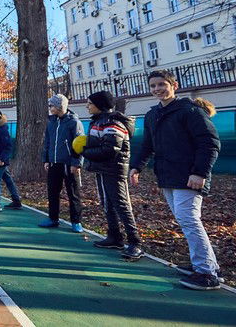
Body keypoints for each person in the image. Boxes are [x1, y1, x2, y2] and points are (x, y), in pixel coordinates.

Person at [130, 70, 221, 290]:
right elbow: (147, 146)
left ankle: (207, 273)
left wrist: (199, 172)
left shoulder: (190, 111)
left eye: (162, 84)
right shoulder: (153, 115)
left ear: (174, 85)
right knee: (185, 220)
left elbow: (209, 143)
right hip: (167, 176)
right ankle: (208, 264)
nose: (157, 89)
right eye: (153, 86)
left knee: (189, 220)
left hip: (189, 177)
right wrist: (136, 167)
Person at [83, 91, 143, 261]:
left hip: (114, 169)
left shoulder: (113, 123)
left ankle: (135, 242)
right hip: (101, 169)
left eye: (90, 103)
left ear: (100, 105)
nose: (87, 106)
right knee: (107, 202)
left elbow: (110, 149)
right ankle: (114, 236)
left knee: (121, 204)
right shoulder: (97, 122)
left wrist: (85, 152)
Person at [40, 94, 84, 232]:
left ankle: (76, 221)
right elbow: (47, 142)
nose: (50, 108)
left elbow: (80, 143)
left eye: (52, 106)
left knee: (73, 193)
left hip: (69, 164)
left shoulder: (73, 122)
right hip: (54, 163)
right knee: (52, 192)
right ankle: (53, 218)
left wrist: (76, 163)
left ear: (60, 106)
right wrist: (46, 159)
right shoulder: (51, 122)